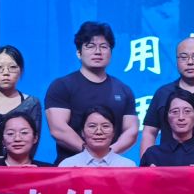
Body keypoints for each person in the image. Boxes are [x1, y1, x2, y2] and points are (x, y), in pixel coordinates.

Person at [43, 22, 138, 158]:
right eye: (90, 46)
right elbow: (58, 129)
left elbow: (131, 131)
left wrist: (108, 155)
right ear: (79, 53)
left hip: (111, 165)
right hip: (71, 166)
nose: (98, 52)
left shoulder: (124, 90)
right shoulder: (62, 86)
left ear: (111, 53)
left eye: (104, 46)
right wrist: (89, 154)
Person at [60, 106, 139, 167]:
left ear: (114, 132)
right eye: (92, 126)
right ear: (82, 132)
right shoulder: (68, 165)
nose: (99, 132)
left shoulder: (127, 166)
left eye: (105, 126)